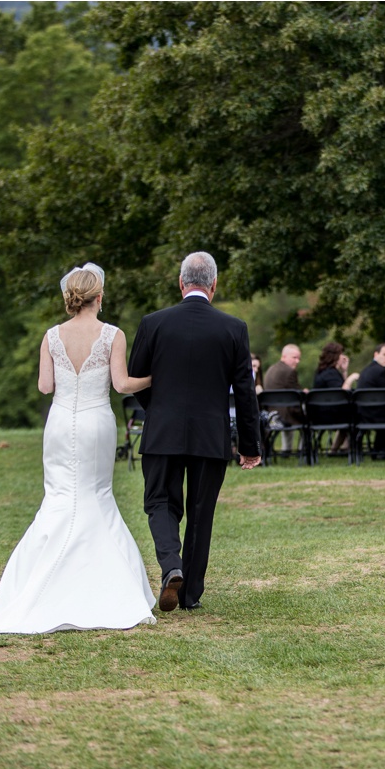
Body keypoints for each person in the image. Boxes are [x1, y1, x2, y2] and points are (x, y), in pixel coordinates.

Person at [0, 265, 157, 634]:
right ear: (99, 297)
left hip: (58, 425)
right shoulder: (112, 334)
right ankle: (108, 586)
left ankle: (36, 585)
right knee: (97, 494)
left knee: (58, 498)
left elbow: (44, 386)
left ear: (70, 297)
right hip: (97, 423)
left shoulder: (52, 335)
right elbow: (121, 384)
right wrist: (156, 375)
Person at [128, 252, 262, 612]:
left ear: (180, 282)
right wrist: (249, 445)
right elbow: (245, 392)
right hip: (209, 436)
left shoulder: (153, 323)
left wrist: (157, 409)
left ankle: (171, 564)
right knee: (201, 511)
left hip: (162, 431)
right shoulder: (233, 328)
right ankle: (190, 595)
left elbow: (134, 378)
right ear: (214, 285)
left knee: (159, 501)